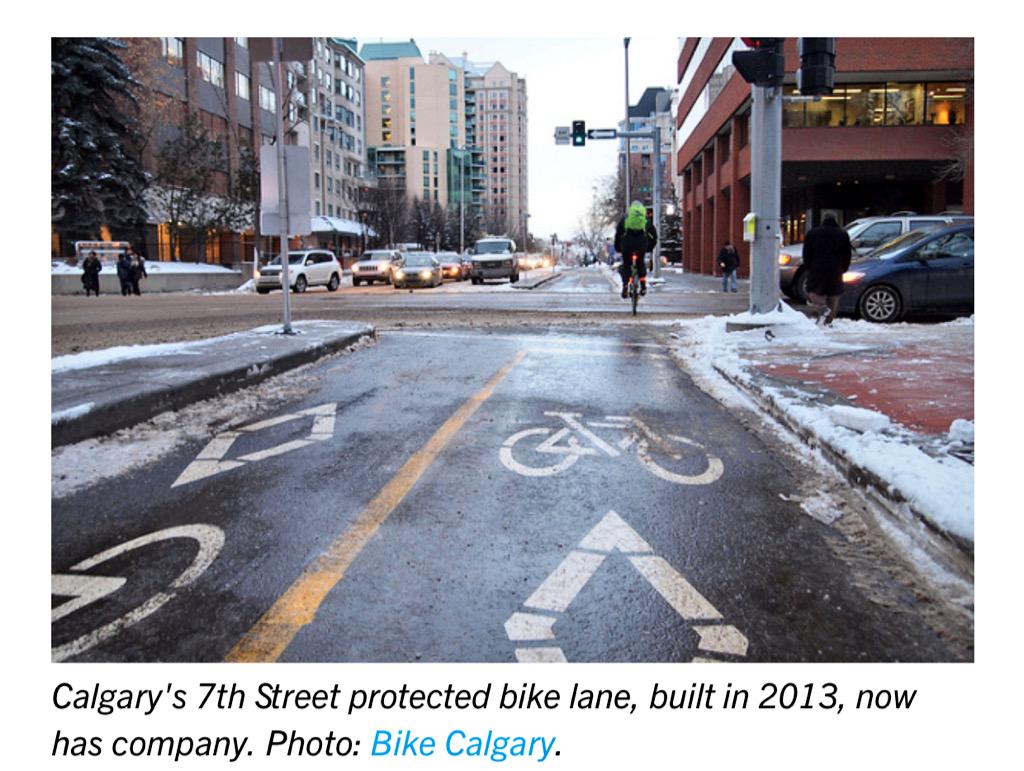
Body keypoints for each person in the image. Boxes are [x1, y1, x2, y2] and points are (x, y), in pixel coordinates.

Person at [802, 215, 852, 326]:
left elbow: (806, 253)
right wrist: (844, 268)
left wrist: (809, 267)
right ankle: (828, 322)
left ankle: (822, 307)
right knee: (833, 296)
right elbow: (847, 254)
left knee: (812, 291)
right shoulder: (842, 234)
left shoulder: (812, 233)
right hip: (836, 270)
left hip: (817, 268)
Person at [614, 201, 658, 299]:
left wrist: (618, 248)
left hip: (627, 245)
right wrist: (649, 247)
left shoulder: (625, 220)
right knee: (640, 262)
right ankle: (643, 286)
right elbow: (654, 236)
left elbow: (618, 235)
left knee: (626, 265)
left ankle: (625, 285)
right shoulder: (646, 221)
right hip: (641, 245)